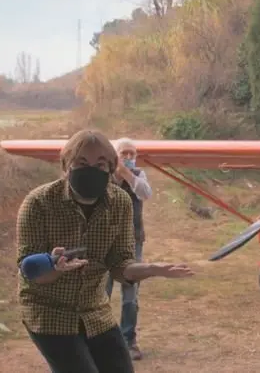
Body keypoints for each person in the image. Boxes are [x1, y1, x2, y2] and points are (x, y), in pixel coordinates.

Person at [16, 129, 194, 373]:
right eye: (82, 162)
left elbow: (121, 266)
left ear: (111, 169)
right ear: (66, 165)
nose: (91, 170)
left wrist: (152, 269)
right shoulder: (38, 203)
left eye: (101, 164)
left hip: (94, 310)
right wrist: (53, 268)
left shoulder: (120, 202)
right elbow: (30, 271)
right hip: (48, 312)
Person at [105, 137, 152, 360]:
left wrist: (127, 174)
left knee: (130, 296)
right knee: (100, 293)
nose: (129, 157)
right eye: (124, 153)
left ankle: (129, 340)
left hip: (133, 242)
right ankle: (99, 341)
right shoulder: (103, 177)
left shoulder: (139, 175)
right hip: (104, 243)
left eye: (132, 154)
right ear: (115, 156)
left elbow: (145, 193)